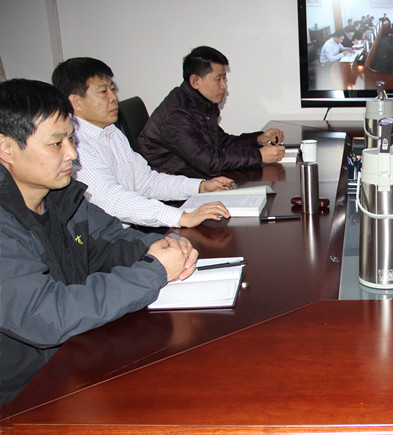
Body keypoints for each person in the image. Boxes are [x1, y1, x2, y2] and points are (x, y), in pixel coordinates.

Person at [0, 79, 199, 405]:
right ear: (6, 148)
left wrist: (162, 247)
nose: (72, 154)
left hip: (76, 356)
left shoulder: (60, 196)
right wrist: (154, 271)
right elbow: (47, 315)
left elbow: (111, 240)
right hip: (24, 396)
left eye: (72, 139)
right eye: (56, 143)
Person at [51, 57, 233, 228]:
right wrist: (181, 217)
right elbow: (111, 200)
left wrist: (200, 186)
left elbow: (146, 181)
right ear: (76, 102)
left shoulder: (111, 132)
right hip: (107, 241)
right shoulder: (75, 145)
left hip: (130, 231)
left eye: (112, 89)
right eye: (103, 92)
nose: (113, 98)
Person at [137, 46, 285, 178]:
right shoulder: (177, 116)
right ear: (195, 81)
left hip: (193, 177)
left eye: (224, 79)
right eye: (218, 79)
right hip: (173, 189)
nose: (224, 86)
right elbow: (209, 162)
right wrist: (259, 155)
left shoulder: (200, 103)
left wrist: (257, 140)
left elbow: (221, 142)